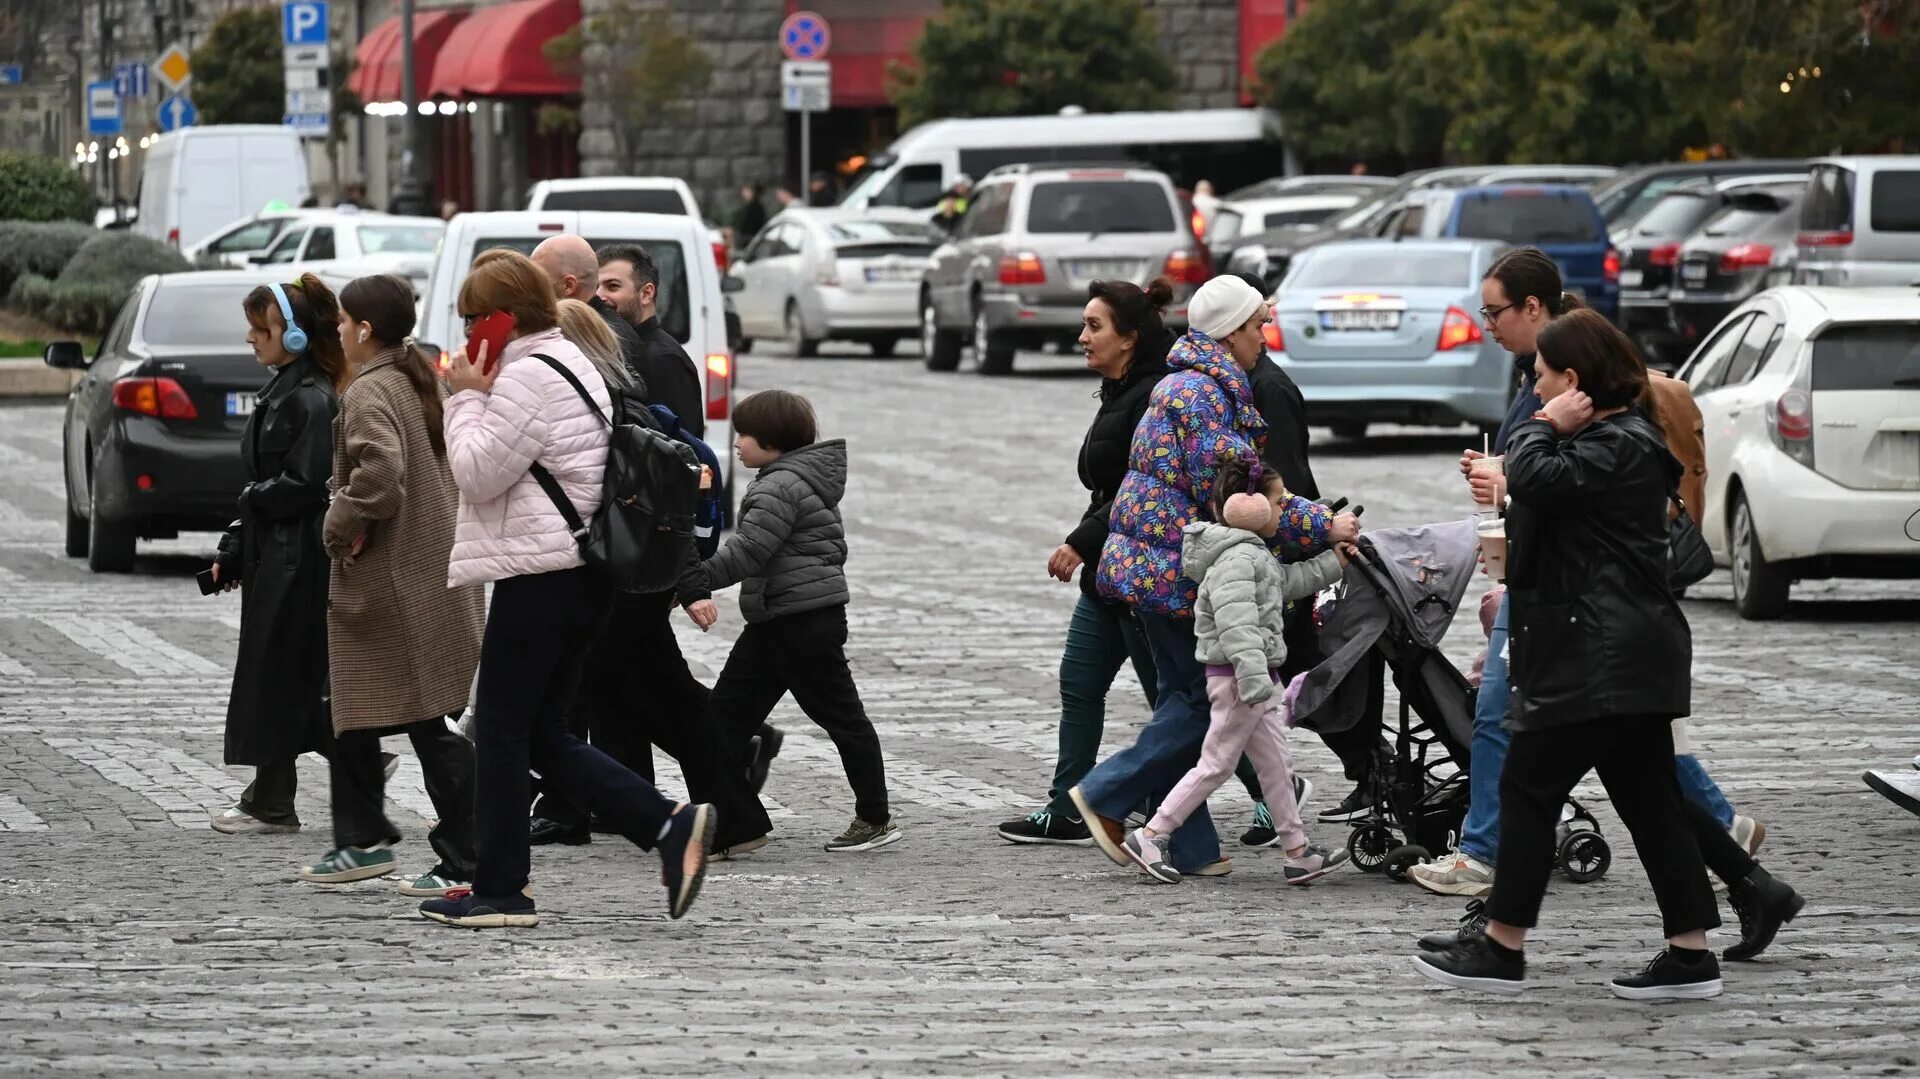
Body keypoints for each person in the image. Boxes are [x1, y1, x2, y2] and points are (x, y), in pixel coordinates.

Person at [1411, 309, 1799, 999]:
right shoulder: (1609, 441)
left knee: (1527, 790)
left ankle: (1502, 947)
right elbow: (1545, 505)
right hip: (1616, 654)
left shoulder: (1614, 443)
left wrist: (1541, 427)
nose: (1534, 391)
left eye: (1542, 379)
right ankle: (1690, 953)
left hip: (1598, 657)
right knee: (1652, 802)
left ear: (1575, 381)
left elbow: (1535, 476)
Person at [420, 248, 715, 929]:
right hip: (579, 576)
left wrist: (463, 394)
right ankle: (669, 826)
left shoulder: (527, 376)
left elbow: (475, 472)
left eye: (471, 320)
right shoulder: (569, 356)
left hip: (543, 578)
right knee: (542, 735)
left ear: (500, 318)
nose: (465, 336)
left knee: (497, 731)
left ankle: (500, 889)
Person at [1067, 275, 1358, 878]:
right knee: (1201, 705)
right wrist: (1323, 526)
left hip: (1155, 565)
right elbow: (1238, 489)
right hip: (1170, 572)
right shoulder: (1203, 395)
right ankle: (1104, 794)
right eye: (1256, 327)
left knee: (1187, 702)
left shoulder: (1192, 386)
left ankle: (1199, 847)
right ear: (1230, 334)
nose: (1264, 337)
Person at [541, 299, 776, 858]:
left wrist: (689, 585)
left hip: (615, 586)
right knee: (670, 703)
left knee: (553, 703)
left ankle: (626, 814)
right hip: (632, 586)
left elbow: (654, 513)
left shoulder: (602, 410)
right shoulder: (613, 403)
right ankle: (734, 815)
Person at [298, 274, 485, 897]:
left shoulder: (371, 389)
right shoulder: (417, 374)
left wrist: (337, 522)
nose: (339, 331)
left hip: (394, 580)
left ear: (365, 328)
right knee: (349, 710)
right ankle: (363, 839)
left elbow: (381, 477)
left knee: (426, 719)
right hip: (426, 571)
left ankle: (464, 852)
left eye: (345, 322)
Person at [996, 279, 1177, 845]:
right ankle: (1068, 807)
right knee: (1079, 684)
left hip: (1141, 573)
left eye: (1094, 326)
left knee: (1177, 702)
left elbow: (1135, 491)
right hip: (1110, 572)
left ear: (1129, 338)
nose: (1082, 337)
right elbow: (1107, 489)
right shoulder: (1118, 392)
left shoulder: (1153, 396)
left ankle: (1272, 790)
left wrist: (1079, 541)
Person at [678, 390, 899, 852]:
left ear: (772, 441)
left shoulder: (780, 486)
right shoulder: (792, 479)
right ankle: (733, 823)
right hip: (781, 620)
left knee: (841, 719)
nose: (736, 443)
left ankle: (874, 818)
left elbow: (749, 550)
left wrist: (691, 579)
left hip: (799, 624)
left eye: (745, 434)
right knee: (722, 721)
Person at [1119, 454, 1353, 885]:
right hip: (1240, 680)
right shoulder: (1236, 559)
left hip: (1255, 677)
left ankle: (1297, 851)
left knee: (1276, 765)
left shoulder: (1250, 553)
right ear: (1254, 508)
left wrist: (1334, 564)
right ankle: (1152, 835)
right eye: (1280, 502)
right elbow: (1236, 622)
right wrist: (1252, 676)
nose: (1284, 510)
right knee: (1217, 765)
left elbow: (1285, 582)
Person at [1232, 270, 1386, 838]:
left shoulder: (1268, 388)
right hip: (1267, 545)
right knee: (1290, 677)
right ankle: (1350, 775)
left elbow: (1287, 477)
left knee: (1307, 672)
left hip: (1281, 548)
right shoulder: (1239, 383)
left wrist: (1300, 537)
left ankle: (1368, 770)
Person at [208, 275, 345, 836]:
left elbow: (303, 484)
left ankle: (277, 796)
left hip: (299, 561)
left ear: (291, 334)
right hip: (277, 555)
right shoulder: (284, 390)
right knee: (286, 677)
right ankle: (276, 793)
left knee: (285, 674)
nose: (250, 338)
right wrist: (237, 545)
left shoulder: (310, 398)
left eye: (260, 328)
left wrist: (250, 505)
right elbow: (268, 484)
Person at [596, 243, 704, 437]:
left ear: (646, 293)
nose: (599, 296)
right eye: (596, 287)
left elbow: (679, 444)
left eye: (612, 286)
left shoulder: (663, 358)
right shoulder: (621, 349)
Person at [531, 234, 644, 380]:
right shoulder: (610, 329)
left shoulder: (596, 338)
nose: (531, 290)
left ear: (568, 285)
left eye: (538, 281)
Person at [733, 183, 769, 251]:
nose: (743, 193)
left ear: (752, 192)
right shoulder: (755, 206)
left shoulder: (754, 208)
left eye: (746, 191)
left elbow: (749, 227)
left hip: (750, 244)